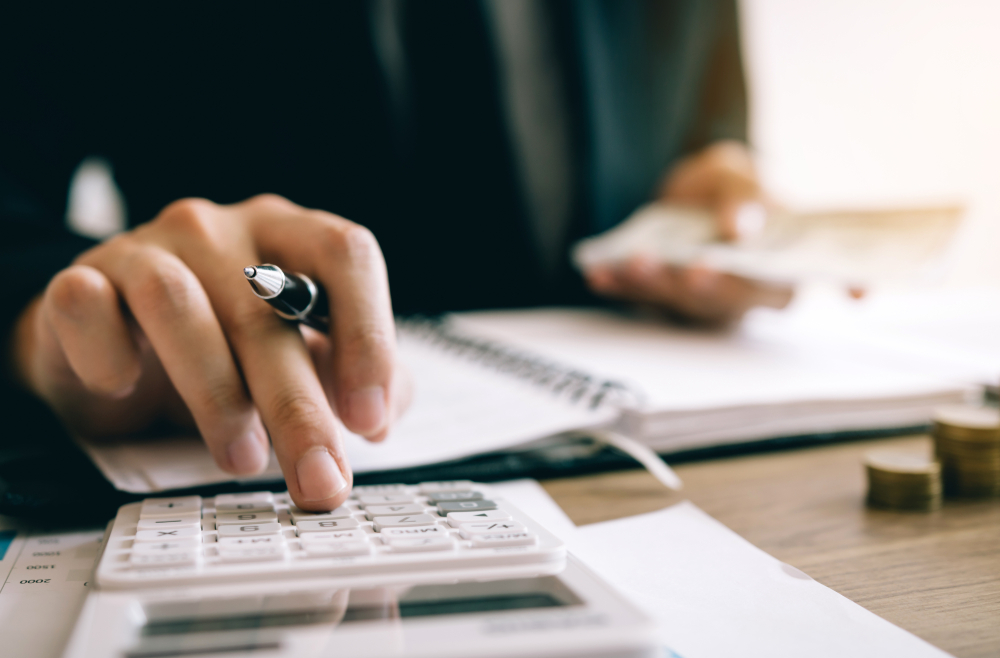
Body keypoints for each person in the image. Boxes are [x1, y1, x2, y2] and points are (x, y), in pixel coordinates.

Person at [1, 1, 785, 512]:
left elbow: (709, 123)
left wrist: (717, 193)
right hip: (218, 434)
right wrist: (50, 322)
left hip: (647, 456)